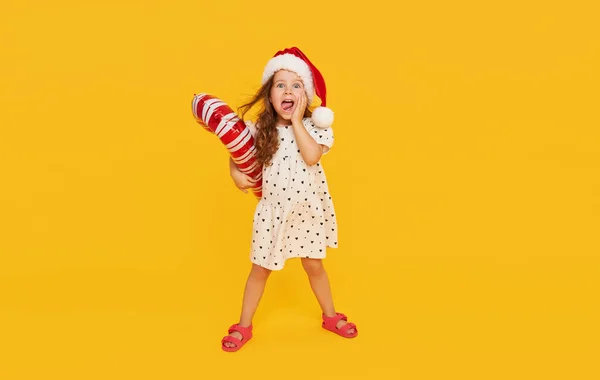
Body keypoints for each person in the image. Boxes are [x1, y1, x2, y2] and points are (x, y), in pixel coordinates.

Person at [221, 47, 357, 352]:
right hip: (273, 213)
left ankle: (330, 316)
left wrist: (297, 121)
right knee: (259, 270)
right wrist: (234, 173)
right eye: (280, 84)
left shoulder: (316, 128)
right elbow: (236, 152)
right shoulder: (260, 130)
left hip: (306, 212)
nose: (288, 91)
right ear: (269, 95)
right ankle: (243, 325)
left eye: (297, 86)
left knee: (315, 267)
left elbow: (311, 156)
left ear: (306, 97)